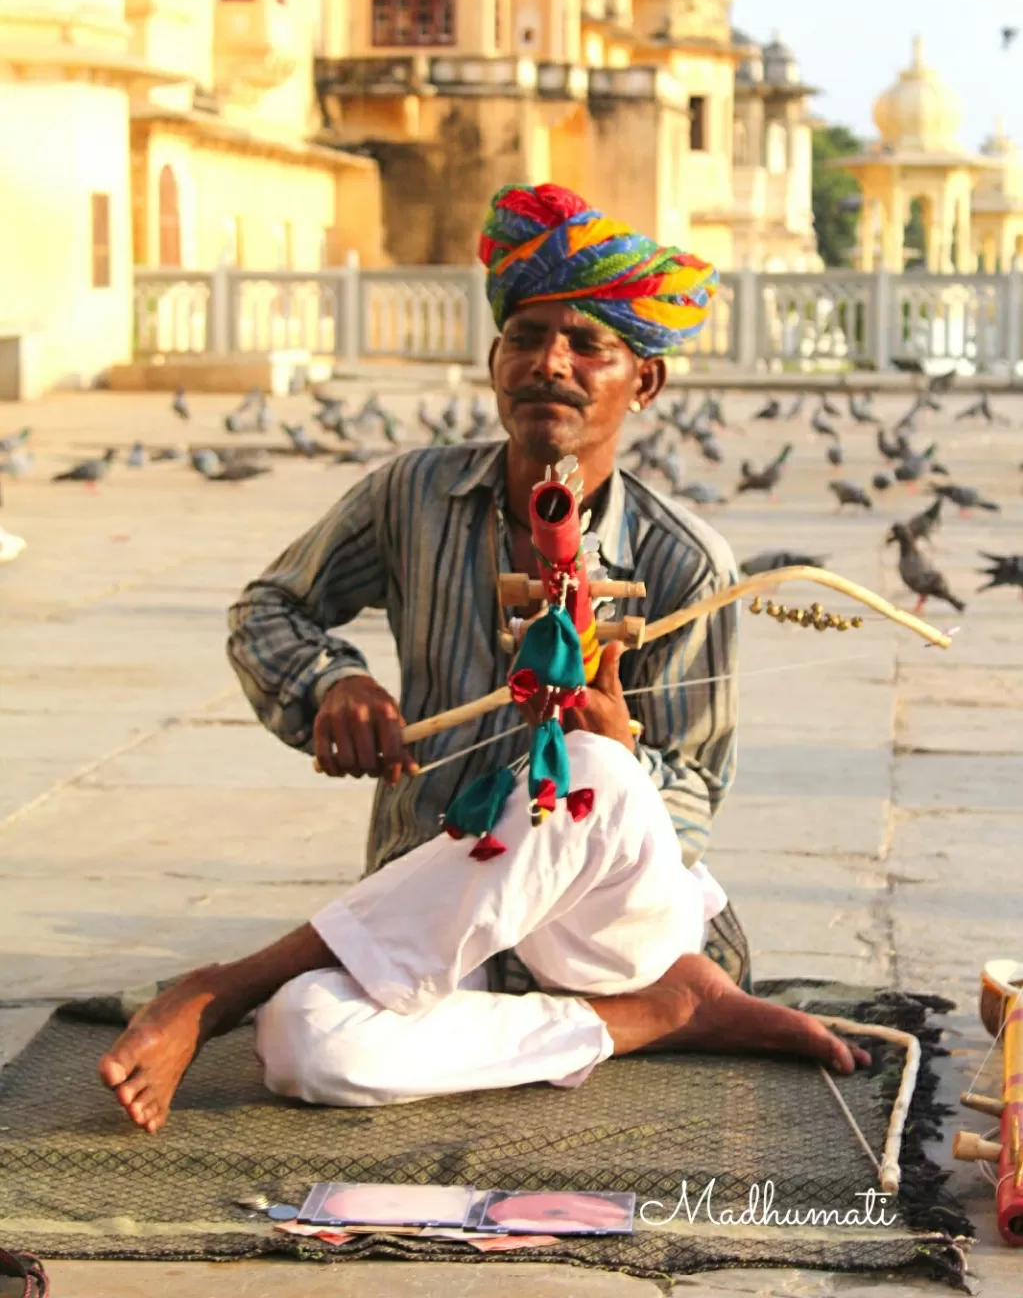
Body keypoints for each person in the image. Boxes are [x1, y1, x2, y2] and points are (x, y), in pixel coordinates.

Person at [97, 184, 868, 1130]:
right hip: (446, 931)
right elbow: (268, 611)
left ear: (645, 382)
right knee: (302, 1040)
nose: (551, 362)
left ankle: (225, 986)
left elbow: (695, 790)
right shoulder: (409, 498)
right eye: (527, 336)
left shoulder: (680, 558)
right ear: (493, 361)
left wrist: (627, 752)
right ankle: (647, 1021)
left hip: (613, 932)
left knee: (583, 771)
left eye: (588, 344)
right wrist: (330, 682)